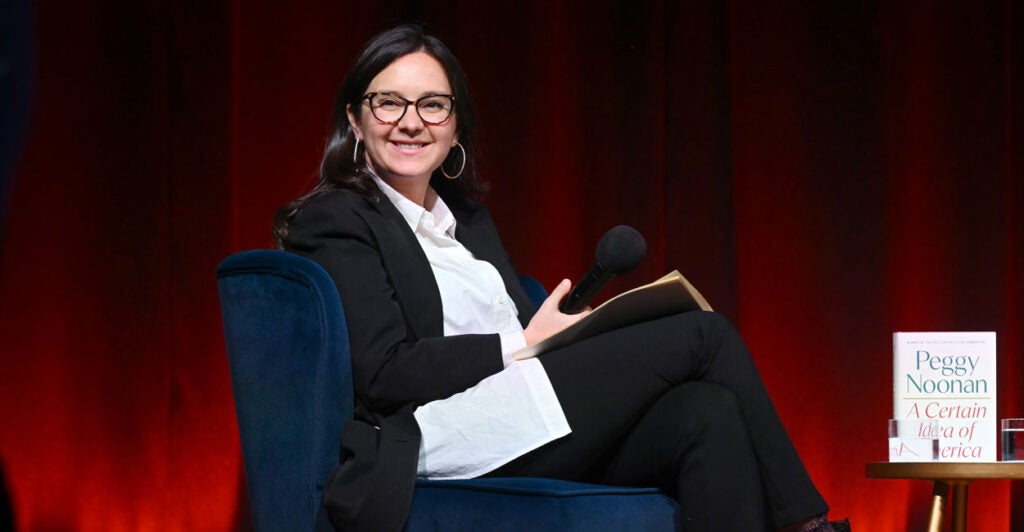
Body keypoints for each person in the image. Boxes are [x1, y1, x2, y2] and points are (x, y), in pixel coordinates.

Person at [275, 24, 841, 532]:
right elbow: (384, 371)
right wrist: (524, 342)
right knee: (705, 335)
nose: (411, 122)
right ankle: (807, 525)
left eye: (433, 106)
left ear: (454, 126)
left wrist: (564, 336)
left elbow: (519, 336)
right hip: (438, 433)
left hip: (520, 414)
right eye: (388, 103)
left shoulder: (465, 219)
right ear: (354, 118)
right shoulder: (339, 217)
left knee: (707, 411)